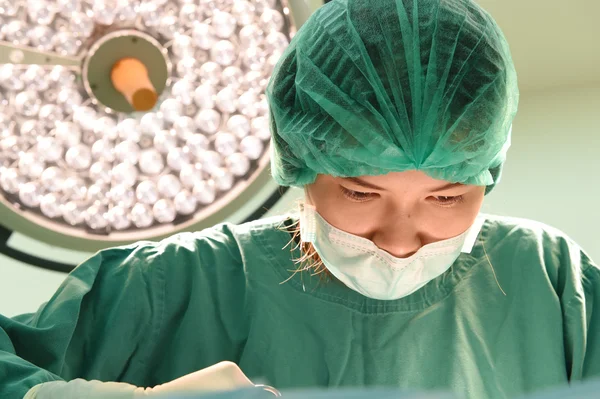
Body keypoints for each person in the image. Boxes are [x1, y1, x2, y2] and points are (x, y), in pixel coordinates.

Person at [1, 0, 598, 398]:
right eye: (361, 192)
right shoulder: (174, 288)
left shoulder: (550, 284)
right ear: (301, 160)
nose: (396, 240)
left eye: (445, 199)